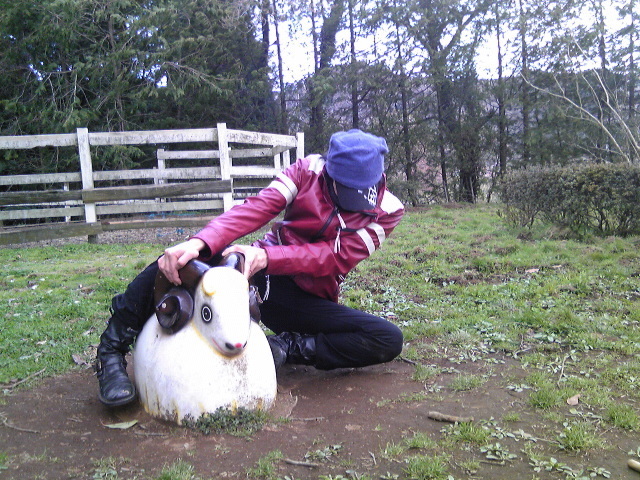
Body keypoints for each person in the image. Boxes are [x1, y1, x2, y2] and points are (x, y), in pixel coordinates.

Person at [96, 129, 405, 407]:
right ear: (329, 173)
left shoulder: (389, 211)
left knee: (387, 338)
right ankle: (110, 351)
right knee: (181, 259)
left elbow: (332, 257)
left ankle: (286, 347)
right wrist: (200, 242)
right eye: (345, 190)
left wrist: (270, 257)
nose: (353, 203)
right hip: (261, 277)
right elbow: (258, 207)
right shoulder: (307, 171)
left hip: (306, 299)